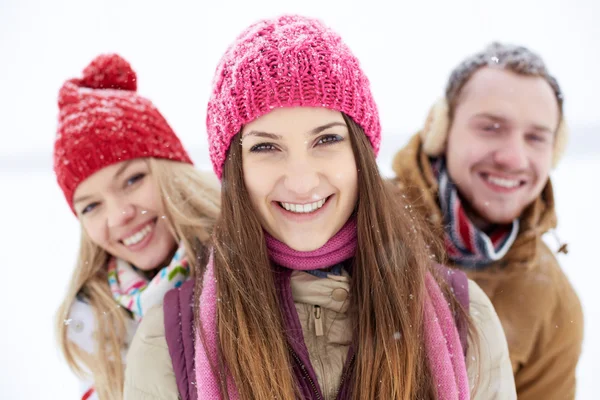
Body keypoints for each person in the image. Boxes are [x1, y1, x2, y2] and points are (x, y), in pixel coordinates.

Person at [124, 16, 515, 399]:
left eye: (326, 140)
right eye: (265, 147)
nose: (301, 180)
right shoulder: (171, 339)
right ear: (235, 170)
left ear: (359, 153)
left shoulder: (464, 316)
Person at [390, 42, 583, 399]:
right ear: (442, 129)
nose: (513, 157)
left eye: (536, 137)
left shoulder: (551, 299)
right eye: (491, 127)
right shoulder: (360, 222)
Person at [53, 54, 220, 400]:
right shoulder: (96, 328)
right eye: (92, 206)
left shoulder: (251, 262)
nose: (119, 216)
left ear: (173, 173)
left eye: (132, 180)